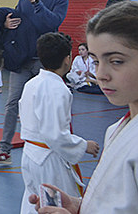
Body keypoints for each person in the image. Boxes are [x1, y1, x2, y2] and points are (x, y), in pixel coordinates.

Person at [28, 1, 138, 214]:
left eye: (116, 61)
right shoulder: (117, 128)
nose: (101, 74)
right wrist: (81, 206)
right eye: (96, 61)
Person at [0, 0, 69, 165]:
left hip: (46, 61)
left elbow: (52, 24)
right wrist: (7, 23)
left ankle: (61, 147)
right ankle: (4, 149)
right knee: (12, 103)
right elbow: (19, 19)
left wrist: (35, 1)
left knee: (50, 105)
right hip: (22, 60)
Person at [19, 32, 99, 214]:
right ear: (67, 59)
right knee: (55, 205)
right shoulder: (57, 89)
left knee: (34, 201)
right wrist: (84, 145)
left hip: (31, 154)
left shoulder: (32, 83)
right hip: (49, 159)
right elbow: (54, 134)